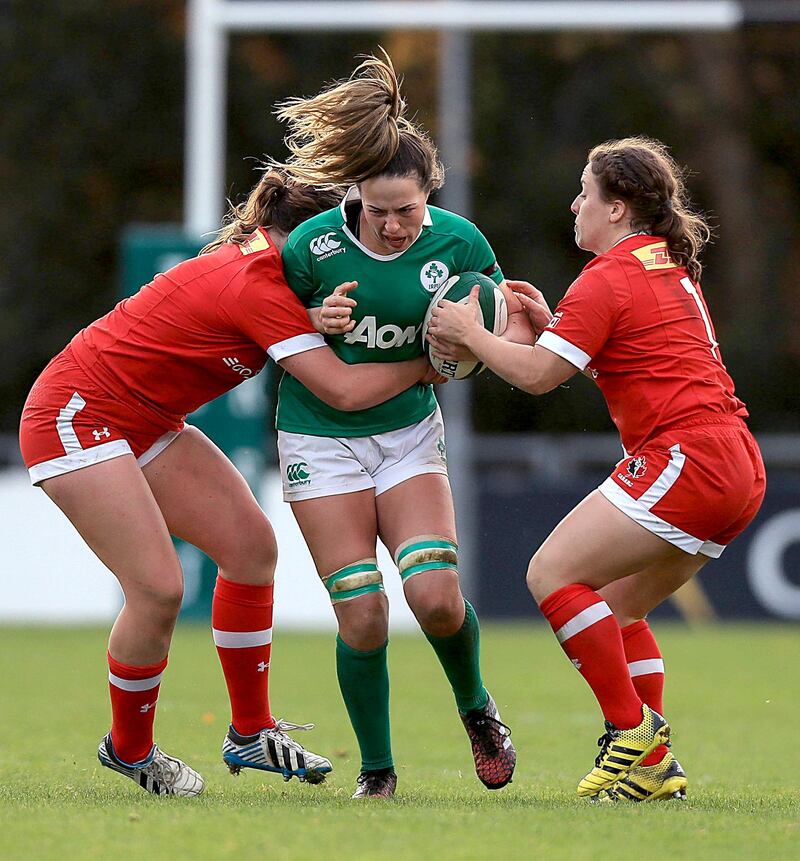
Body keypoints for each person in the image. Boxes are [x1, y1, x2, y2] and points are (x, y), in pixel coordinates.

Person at [18, 170, 443, 797]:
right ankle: (130, 751)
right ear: (316, 237)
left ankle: (250, 731)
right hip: (78, 414)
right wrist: (437, 356)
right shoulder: (259, 280)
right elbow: (344, 391)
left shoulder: (274, 270)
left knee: (250, 549)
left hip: (147, 421)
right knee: (159, 589)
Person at [427, 136, 765, 802]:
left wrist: (472, 336)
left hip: (686, 458)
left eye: (586, 192)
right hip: (732, 461)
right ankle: (653, 762)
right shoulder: (664, 263)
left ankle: (631, 733)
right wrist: (557, 327)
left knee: (550, 573)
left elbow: (537, 374)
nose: (575, 203)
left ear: (617, 208)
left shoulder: (608, 277)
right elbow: (621, 353)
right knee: (615, 607)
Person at [269, 52, 533, 799]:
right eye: (378, 210)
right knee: (362, 611)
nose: (393, 225)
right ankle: (378, 772)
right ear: (352, 194)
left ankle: (477, 709)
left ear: (430, 196)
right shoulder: (311, 248)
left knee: (436, 599)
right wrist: (315, 321)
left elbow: (500, 323)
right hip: (320, 438)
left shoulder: (461, 244)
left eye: (408, 210)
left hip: (409, 435)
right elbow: (278, 336)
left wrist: (502, 332)